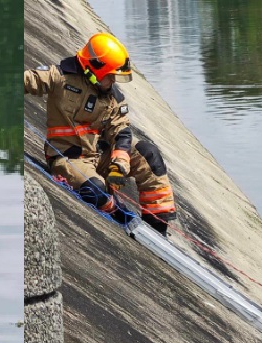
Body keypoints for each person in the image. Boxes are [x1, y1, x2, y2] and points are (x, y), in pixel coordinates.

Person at [23, 33, 178, 235]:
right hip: (68, 159)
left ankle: (158, 227)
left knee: (147, 153)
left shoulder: (114, 99)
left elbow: (121, 131)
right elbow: (28, 80)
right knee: (95, 191)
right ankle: (117, 213)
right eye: (110, 76)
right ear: (94, 69)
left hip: (100, 158)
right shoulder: (60, 78)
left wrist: (119, 164)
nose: (113, 81)